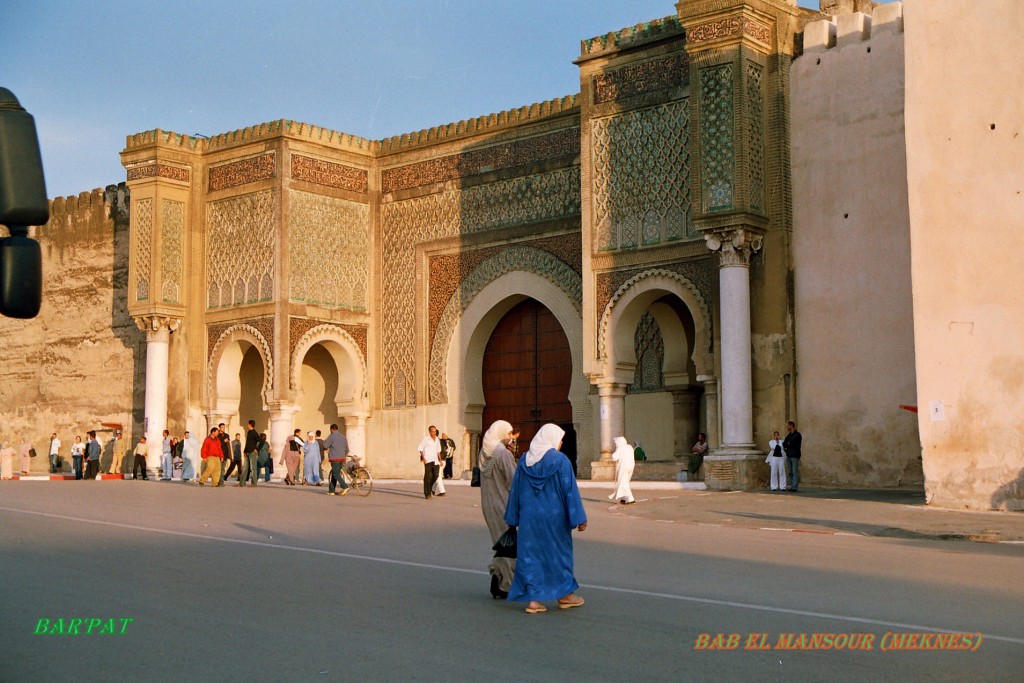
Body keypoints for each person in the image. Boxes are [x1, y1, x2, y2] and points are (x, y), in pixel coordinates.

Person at [504, 424, 587, 615]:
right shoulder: (561, 461)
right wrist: (579, 518)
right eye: (559, 439)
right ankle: (565, 596)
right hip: (555, 518)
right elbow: (569, 491)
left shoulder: (525, 460)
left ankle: (534, 601)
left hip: (529, 519)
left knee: (531, 556)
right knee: (559, 554)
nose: (560, 443)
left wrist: (513, 517)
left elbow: (515, 491)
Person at [479, 420, 517, 599]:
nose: (511, 437)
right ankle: (506, 585)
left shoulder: (485, 452)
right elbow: (513, 481)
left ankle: (498, 578)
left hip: (488, 504)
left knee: (500, 544)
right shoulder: (503, 455)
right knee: (509, 548)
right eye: (508, 434)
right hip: (503, 504)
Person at [323, 423, 350, 496]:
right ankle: (331, 490)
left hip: (335, 458)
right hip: (342, 458)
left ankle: (345, 486)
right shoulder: (343, 437)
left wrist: (327, 449)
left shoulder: (332, 436)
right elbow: (347, 449)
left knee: (335, 473)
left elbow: (325, 445)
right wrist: (343, 455)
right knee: (335, 473)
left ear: (331, 430)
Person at [609, 436, 635, 505]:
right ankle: (623, 498)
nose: (616, 444)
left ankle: (630, 498)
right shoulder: (630, 447)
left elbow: (614, 457)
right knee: (624, 482)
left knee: (623, 482)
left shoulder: (621, 448)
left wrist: (615, 451)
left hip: (623, 467)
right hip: (631, 466)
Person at [418, 425, 442, 499]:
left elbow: (438, 451)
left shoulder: (437, 439)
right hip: (428, 459)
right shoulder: (426, 439)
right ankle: (427, 493)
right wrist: (423, 458)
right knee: (428, 477)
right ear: (429, 432)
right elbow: (421, 448)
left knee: (436, 475)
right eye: (433, 431)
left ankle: (430, 488)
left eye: (435, 431)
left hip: (435, 460)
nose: (434, 433)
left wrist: (440, 460)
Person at [783, 421, 802, 492]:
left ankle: (795, 487)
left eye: (788, 426)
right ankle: (792, 486)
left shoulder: (797, 435)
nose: (787, 427)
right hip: (789, 455)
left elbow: (793, 444)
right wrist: (788, 444)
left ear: (791, 426)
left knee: (794, 471)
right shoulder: (789, 435)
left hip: (795, 455)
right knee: (790, 471)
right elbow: (784, 444)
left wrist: (789, 444)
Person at [240, 420, 260, 487]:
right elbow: (247, 443)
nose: (247, 425)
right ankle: (242, 483)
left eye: (248, 424)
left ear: (250, 425)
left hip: (252, 453)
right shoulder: (248, 432)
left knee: (253, 468)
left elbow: (261, 441)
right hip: (247, 452)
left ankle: (254, 483)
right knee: (245, 468)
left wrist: (257, 449)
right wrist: (245, 451)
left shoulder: (254, 433)